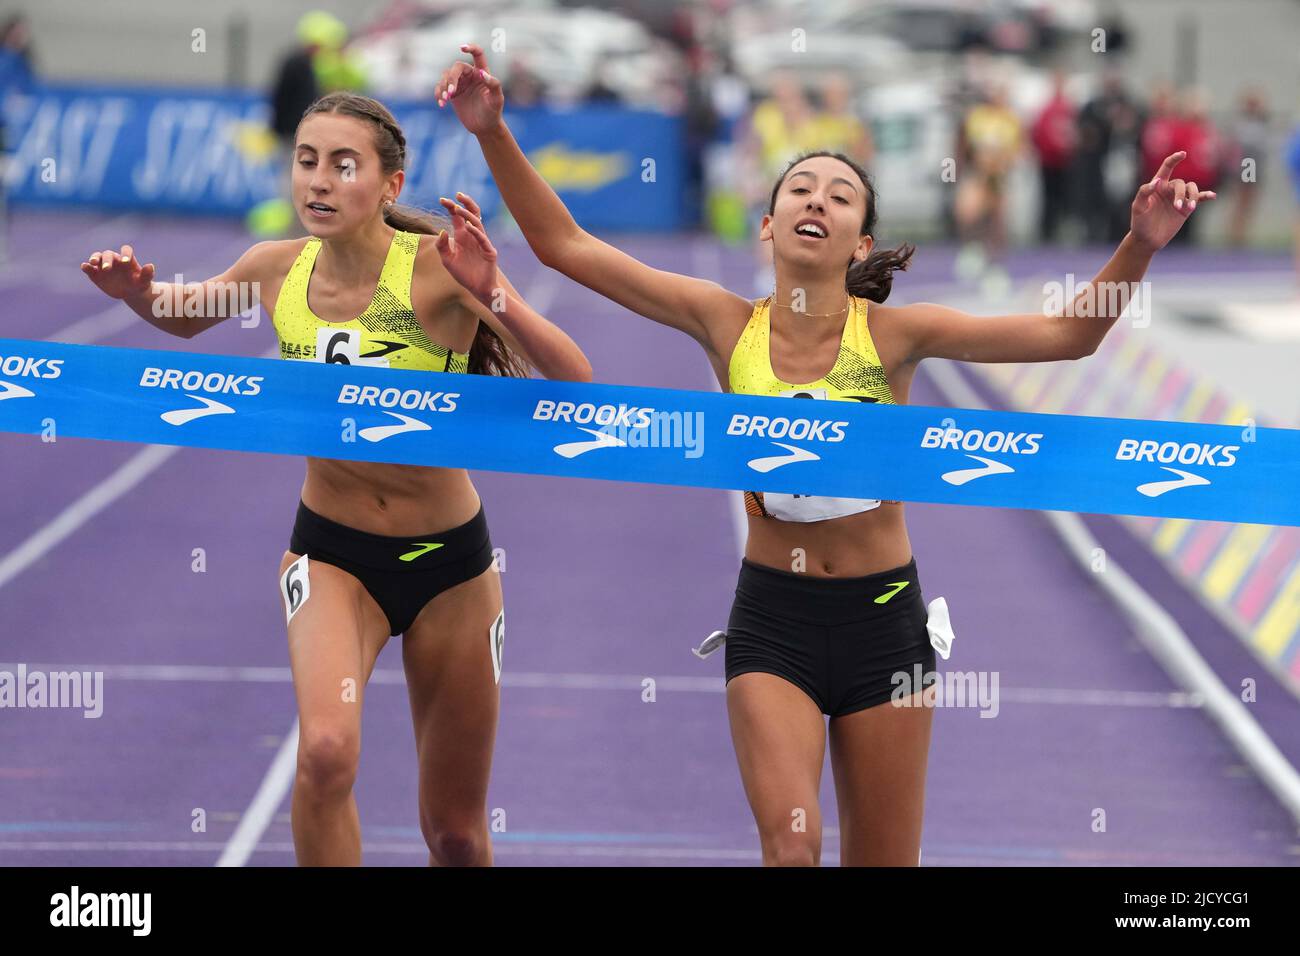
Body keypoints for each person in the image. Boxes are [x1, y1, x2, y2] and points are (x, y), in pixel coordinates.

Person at [435, 43, 1213, 866]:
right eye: (799, 188)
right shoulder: (725, 323)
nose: (817, 201)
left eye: (839, 196)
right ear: (768, 223)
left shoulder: (895, 335)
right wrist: (492, 132)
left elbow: (1069, 335)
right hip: (773, 621)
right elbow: (566, 247)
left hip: (887, 628)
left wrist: (1140, 244)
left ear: (858, 241)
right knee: (791, 846)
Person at [80, 91, 592, 866]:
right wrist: (138, 294)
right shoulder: (273, 267)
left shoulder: (439, 270)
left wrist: (491, 291)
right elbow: (186, 312)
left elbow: (574, 380)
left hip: (449, 568)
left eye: (343, 165)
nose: (317, 181)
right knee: (324, 751)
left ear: (389, 186)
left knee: (455, 832)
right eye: (307, 160)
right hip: (330, 557)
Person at [1030, 70, 1077, 243]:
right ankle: (1046, 233)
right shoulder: (1046, 109)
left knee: (1065, 198)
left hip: (1065, 162)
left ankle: (1062, 231)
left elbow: (1074, 134)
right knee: (1048, 198)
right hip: (1048, 162)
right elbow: (1037, 133)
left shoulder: (1069, 108)